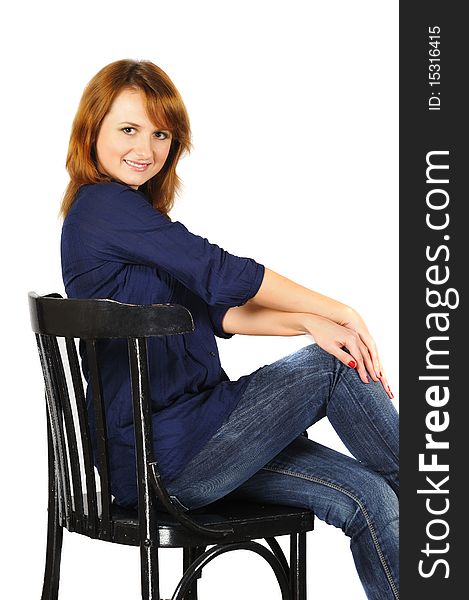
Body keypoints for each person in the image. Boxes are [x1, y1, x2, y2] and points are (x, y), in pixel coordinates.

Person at [60, 59, 399, 600]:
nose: (145, 148)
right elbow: (222, 273)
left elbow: (221, 311)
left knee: (370, 498)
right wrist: (342, 311)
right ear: (92, 129)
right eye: (128, 129)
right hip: (165, 457)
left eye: (160, 133)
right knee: (330, 367)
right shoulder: (103, 207)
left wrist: (309, 321)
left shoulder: (137, 221)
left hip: (200, 439)